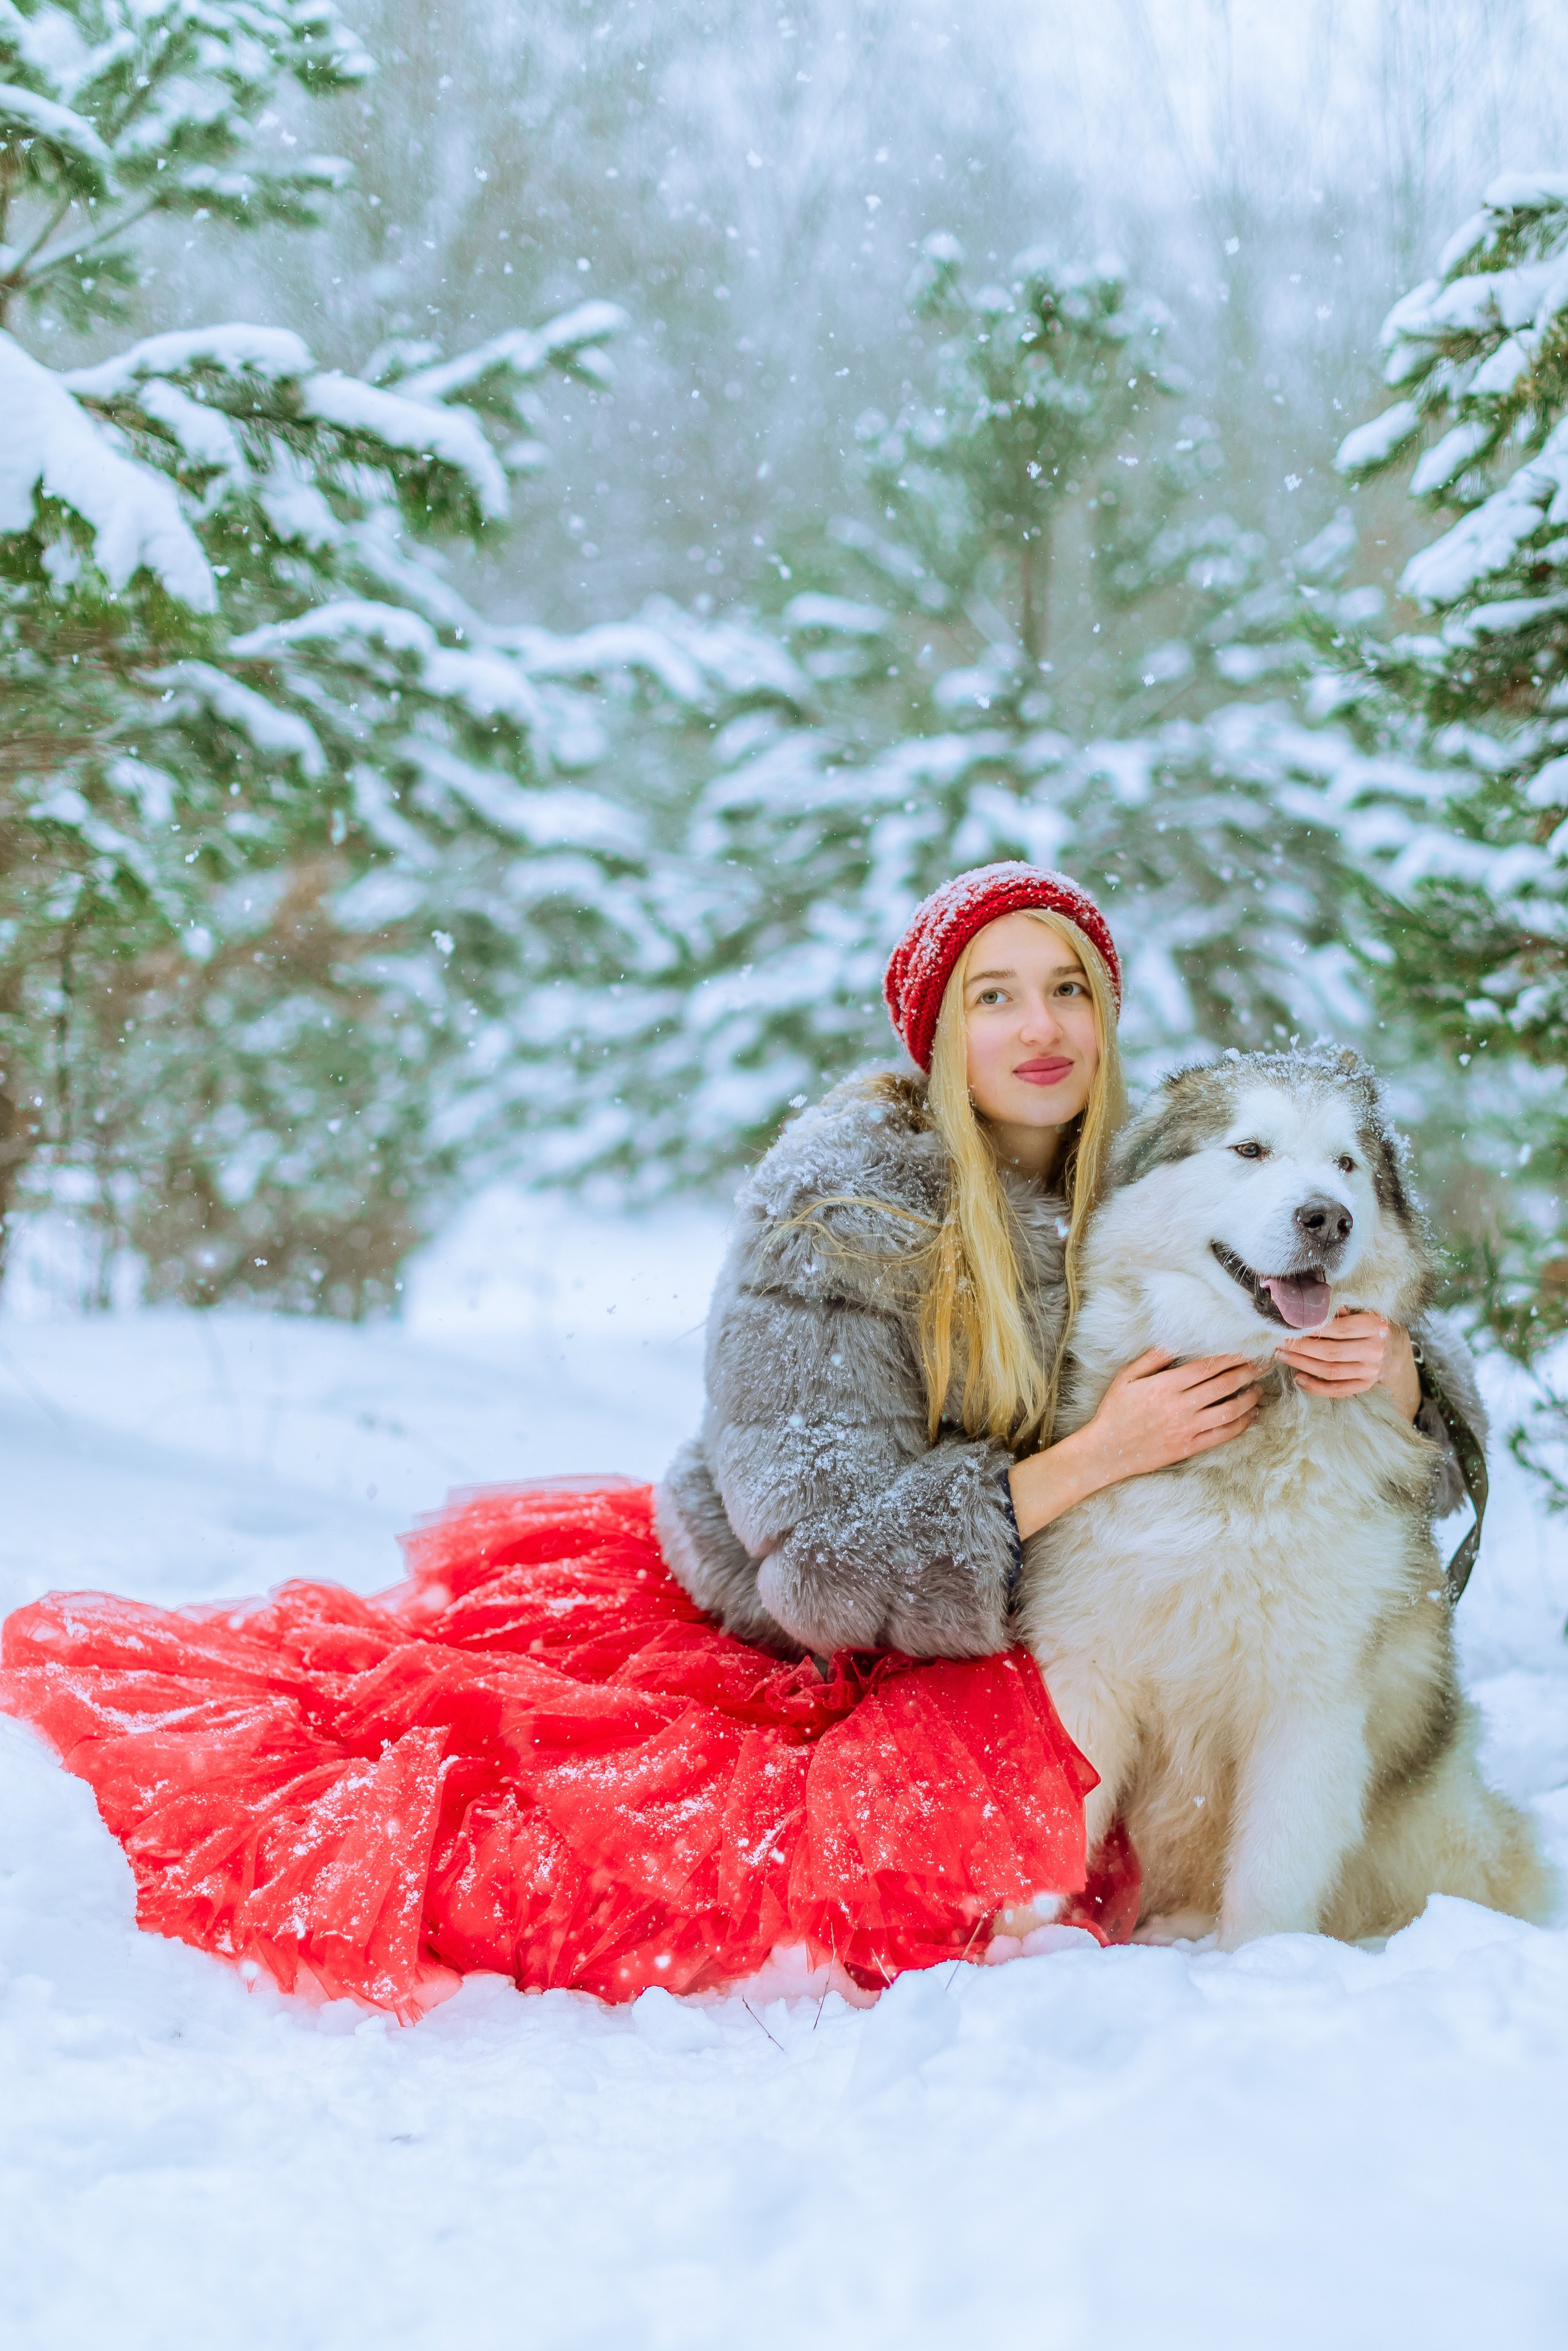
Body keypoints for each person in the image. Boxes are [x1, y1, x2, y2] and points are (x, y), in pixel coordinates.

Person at [0, 864, 1478, 2018]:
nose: (1038, 1030)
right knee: (686, 1874)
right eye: (994, 995)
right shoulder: (839, 1207)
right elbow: (818, 1554)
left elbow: (1341, 1276)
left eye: (1067, 991)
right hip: (804, 1636)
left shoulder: (1132, 1174)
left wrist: (1402, 1374)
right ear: (934, 1028)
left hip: (990, 1636)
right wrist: (1096, 1456)